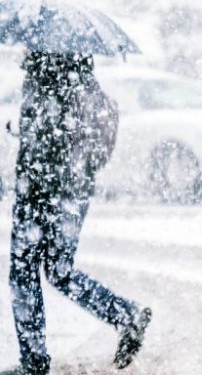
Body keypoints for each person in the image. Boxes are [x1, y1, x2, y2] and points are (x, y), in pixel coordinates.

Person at [7, 51, 152, 375]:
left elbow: (48, 139)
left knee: (24, 271)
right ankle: (124, 315)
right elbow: (85, 148)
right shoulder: (86, 83)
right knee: (58, 270)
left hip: (41, 190)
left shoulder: (47, 80)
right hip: (72, 193)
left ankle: (34, 361)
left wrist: (32, 139)